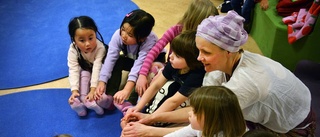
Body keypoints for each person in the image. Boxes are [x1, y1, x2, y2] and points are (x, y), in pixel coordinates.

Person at [124, 11, 316, 137]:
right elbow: (199, 112)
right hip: (257, 117)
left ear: (229, 51)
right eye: (199, 51)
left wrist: (148, 130)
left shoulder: (246, 83)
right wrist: (150, 118)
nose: (199, 58)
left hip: (294, 129)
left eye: (206, 53)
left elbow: (202, 126)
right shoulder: (218, 68)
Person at [122, 30, 205, 130]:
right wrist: (138, 107)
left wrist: (150, 119)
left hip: (171, 117)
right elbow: (156, 85)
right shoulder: (173, 64)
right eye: (172, 51)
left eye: (177, 56)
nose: (170, 56)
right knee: (125, 123)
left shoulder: (196, 76)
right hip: (157, 109)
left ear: (192, 60)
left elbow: (174, 102)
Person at [135, 0, 219, 95]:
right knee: (153, 73)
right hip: (171, 69)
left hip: (192, 75)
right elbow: (154, 51)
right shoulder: (176, 30)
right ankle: (138, 100)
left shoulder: (207, 40)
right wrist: (142, 74)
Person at [95, 9, 160, 115]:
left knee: (146, 75)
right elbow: (110, 58)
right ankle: (111, 96)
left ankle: (132, 104)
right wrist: (102, 82)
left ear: (142, 38)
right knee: (116, 60)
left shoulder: (150, 40)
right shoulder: (118, 35)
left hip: (150, 64)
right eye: (123, 29)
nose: (124, 35)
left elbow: (140, 64)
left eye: (130, 35)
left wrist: (126, 90)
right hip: (133, 60)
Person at [67, 16, 112, 116]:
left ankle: (101, 104)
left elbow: (97, 68)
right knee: (83, 74)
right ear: (74, 39)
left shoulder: (100, 48)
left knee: (100, 96)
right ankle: (82, 105)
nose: (88, 44)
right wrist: (74, 91)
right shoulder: (73, 49)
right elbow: (73, 69)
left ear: (95, 33)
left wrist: (92, 90)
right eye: (82, 40)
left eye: (91, 38)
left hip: (101, 73)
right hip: (86, 71)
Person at [164, 86, 246, 137]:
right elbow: (177, 134)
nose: (189, 113)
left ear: (212, 118)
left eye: (195, 111)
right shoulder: (203, 127)